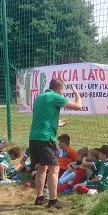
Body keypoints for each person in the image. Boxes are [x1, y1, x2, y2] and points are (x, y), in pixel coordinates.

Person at [28, 77, 82, 208]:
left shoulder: (39, 98)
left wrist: (56, 123)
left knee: (41, 168)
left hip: (34, 137)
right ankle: (53, 201)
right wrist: (76, 93)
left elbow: (41, 117)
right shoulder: (55, 96)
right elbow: (78, 106)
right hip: (46, 138)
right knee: (54, 168)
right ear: (59, 89)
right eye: (62, 91)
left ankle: (40, 198)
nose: (62, 93)